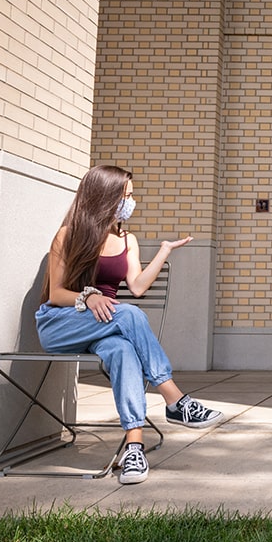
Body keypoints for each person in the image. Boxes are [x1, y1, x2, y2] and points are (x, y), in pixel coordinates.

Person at [35, 165, 224, 485]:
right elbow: (56, 294)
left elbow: (136, 287)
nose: (131, 202)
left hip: (105, 326)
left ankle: (133, 448)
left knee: (123, 350)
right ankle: (175, 400)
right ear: (105, 198)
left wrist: (163, 251)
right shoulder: (68, 234)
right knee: (130, 314)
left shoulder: (127, 240)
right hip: (62, 323)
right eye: (127, 196)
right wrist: (89, 296)